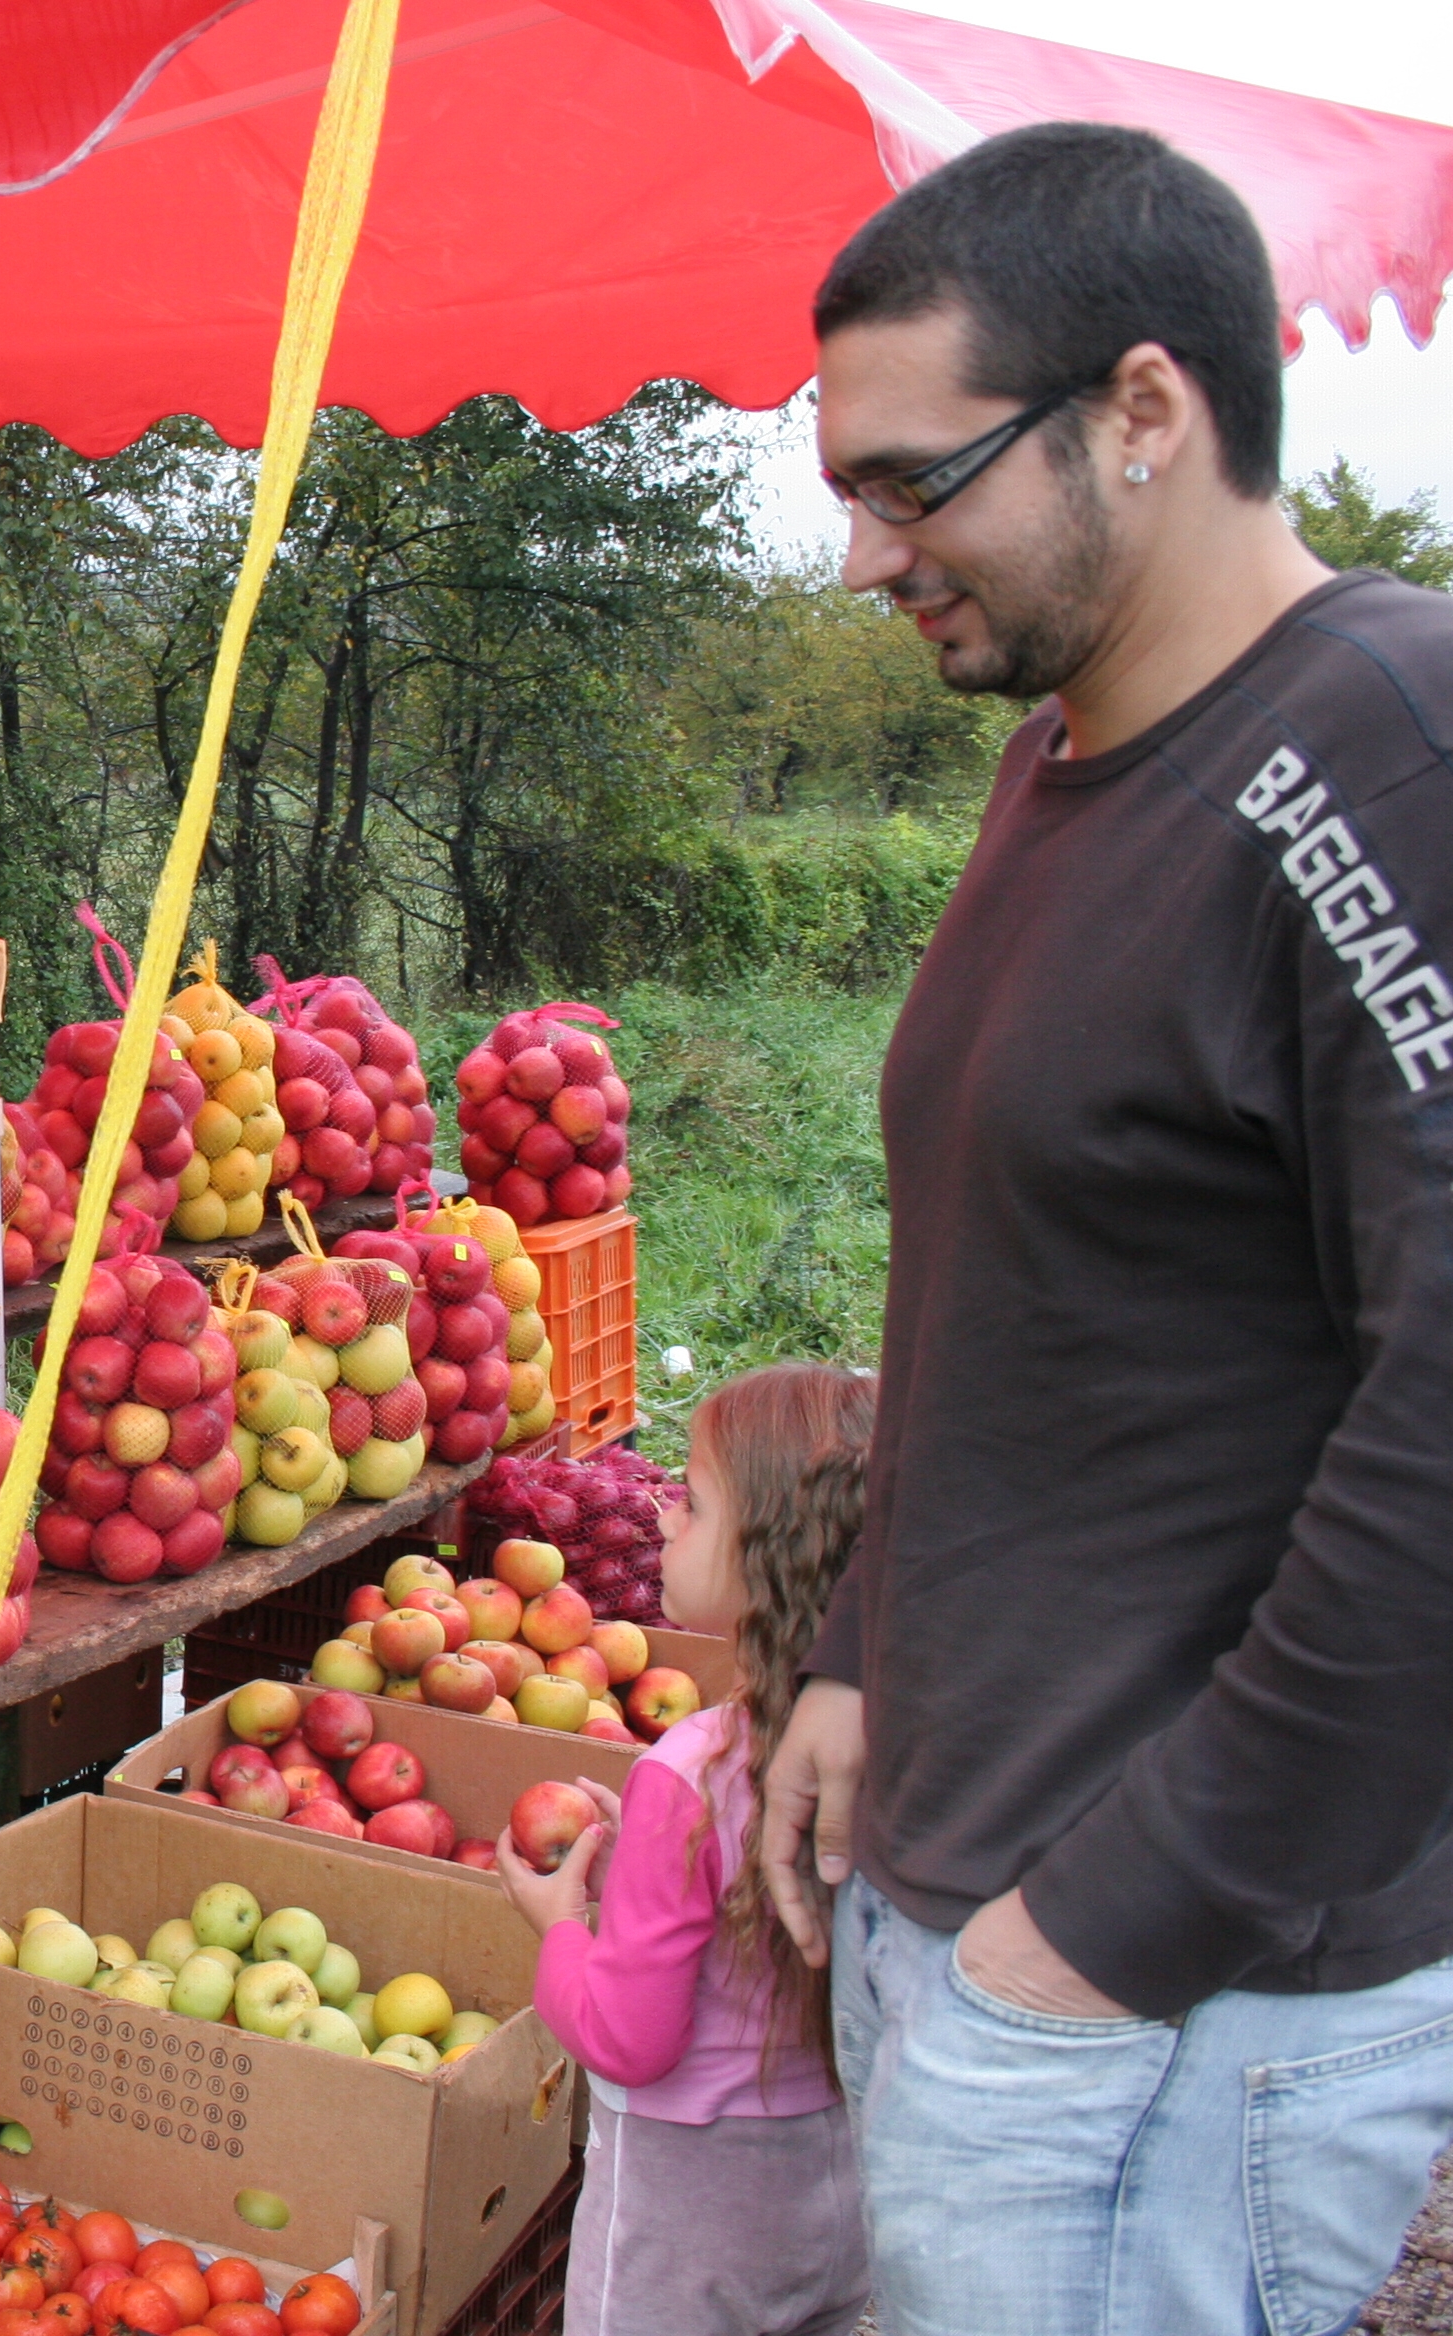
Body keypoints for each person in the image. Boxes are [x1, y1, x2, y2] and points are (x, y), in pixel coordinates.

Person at [754, 120, 1453, 2335]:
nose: (868, 556)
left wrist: (1110, 1928)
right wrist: (865, 1649)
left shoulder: (1383, 757)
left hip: (1160, 2002)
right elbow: (1011, 1289)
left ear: (1143, 414)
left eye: (914, 479)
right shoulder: (1067, 753)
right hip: (983, 1899)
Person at [494, 1362, 876, 2336]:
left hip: (690, 2206)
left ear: (774, 1553)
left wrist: (561, 1930)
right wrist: (647, 1873)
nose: (663, 1513)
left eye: (694, 1501)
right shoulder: (884, 1748)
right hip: (836, 2177)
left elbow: (631, 2035)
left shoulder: (689, 1772)